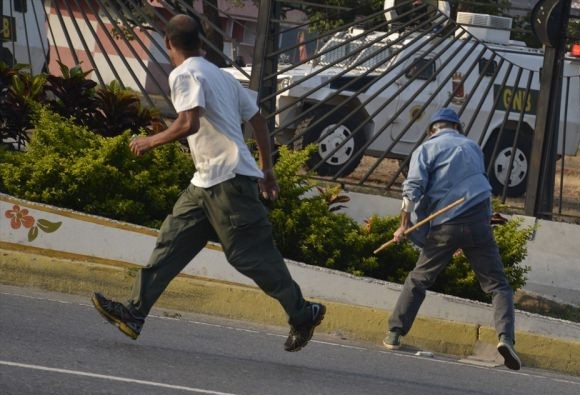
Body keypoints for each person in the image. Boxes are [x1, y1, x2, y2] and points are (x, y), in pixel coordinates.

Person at [91, 14, 325, 352]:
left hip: (229, 181)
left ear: (169, 43)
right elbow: (258, 119)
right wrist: (267, 169)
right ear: (201, 42)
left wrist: (150, 142)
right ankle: (135, 313)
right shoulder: (221, 76)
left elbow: (189, 122)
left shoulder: (184, 74)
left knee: (249, 255)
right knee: (171, 243)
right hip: (207, 181)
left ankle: (303, 314)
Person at [382, 108, 521, 370]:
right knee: (498, 285)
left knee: (419, 279)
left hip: (447, 223)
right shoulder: (472, 147)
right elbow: (480, 186)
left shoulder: (425, 149)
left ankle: (394, 334)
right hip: (479, 220)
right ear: (457, 127)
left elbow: (411, 192)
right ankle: (506, 338)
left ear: (432, 129)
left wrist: (403, 226)